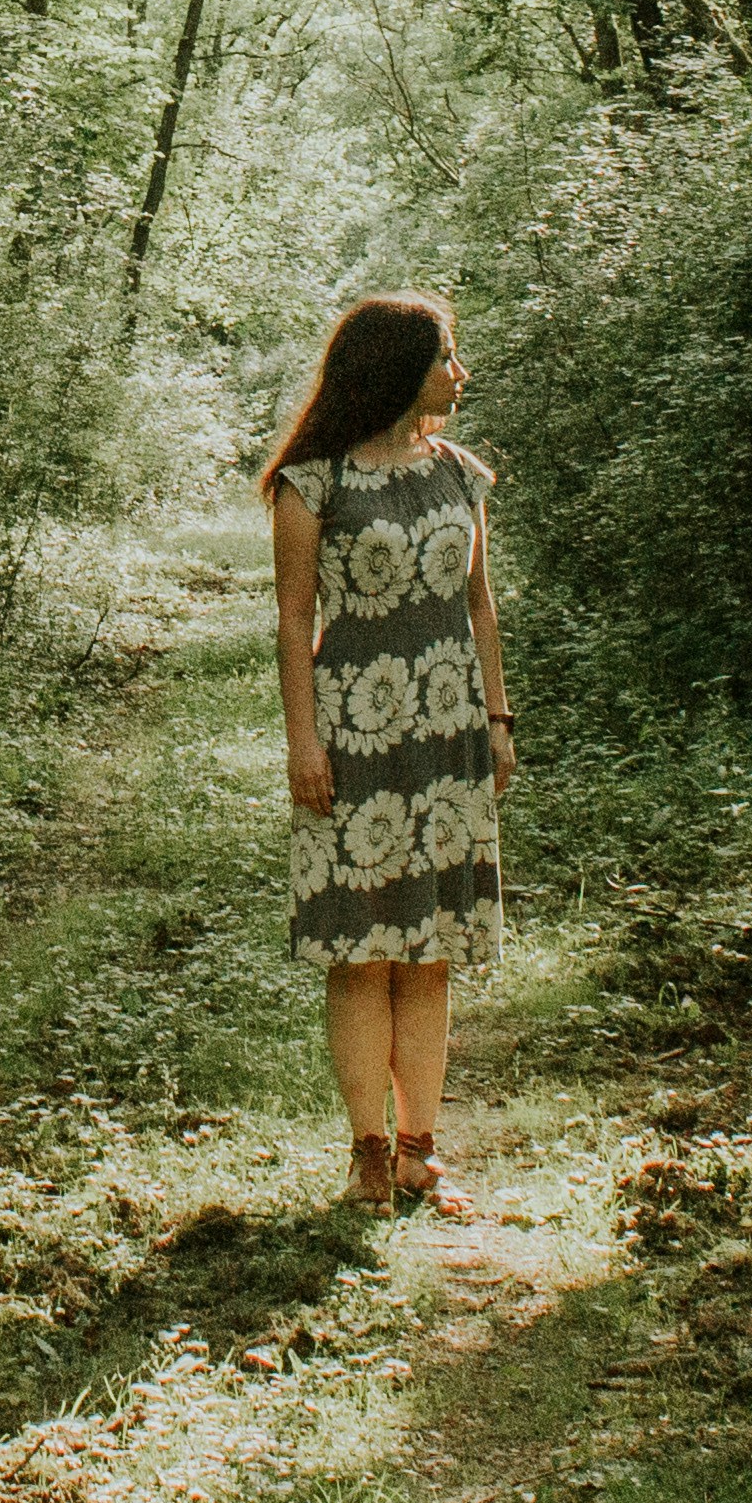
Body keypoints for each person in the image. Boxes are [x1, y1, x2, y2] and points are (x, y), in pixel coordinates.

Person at [264, 290, 513, 1214]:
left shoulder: (463, 476)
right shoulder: (313, 485)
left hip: (448, 736)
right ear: (398, 366)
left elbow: (481, 606)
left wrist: (498, 719)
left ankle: (419, 1150)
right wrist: (304, 744)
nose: (461, 372)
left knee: (432, 947)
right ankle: (368, 1151)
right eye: (448, 355)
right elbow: (293, 625)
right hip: (355, 737)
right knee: (362, 949)